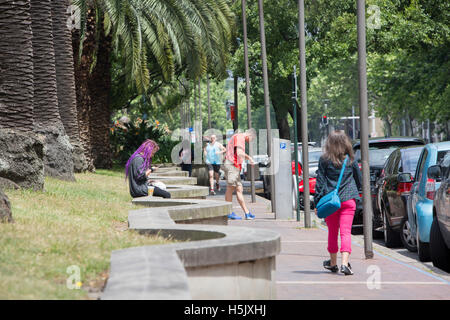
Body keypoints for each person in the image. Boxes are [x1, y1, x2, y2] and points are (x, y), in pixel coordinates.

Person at [314, 131, 362, 276]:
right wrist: (353, 191)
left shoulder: (324, 159)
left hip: (331, 202)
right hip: (348, 200)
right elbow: (359, 180)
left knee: (333, 233)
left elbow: (320, 182)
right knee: (346, 233)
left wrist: (317, 202)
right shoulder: (350, 159)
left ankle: (333, 263)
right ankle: (344, 264)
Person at [223, 129, 256, 220]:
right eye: (251, 139)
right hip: (232, 165)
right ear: (249, 135)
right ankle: (228, 212)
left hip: (234, 166)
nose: (250, 142)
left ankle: (247, 213)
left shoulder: (237, 136)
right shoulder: (240, 137)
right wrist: (249, 158)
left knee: (239, 189)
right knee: (230, 187)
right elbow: (239, 153)